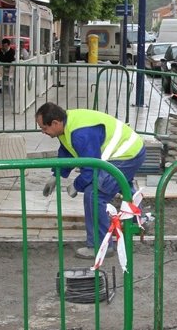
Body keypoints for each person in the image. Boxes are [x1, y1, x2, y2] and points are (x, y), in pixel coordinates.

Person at [36, 102, 146, 259]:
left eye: (44, 128)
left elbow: (91, 167)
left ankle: (100, 247)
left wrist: (76, 185)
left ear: (55, 123)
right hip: (129, 150)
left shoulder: (80, 133)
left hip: (127, 155)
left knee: (94, 194)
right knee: (119, 185)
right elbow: (68, 150)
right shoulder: (67, 125)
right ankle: (138, 221)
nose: (43, 132)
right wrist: (57, 174)